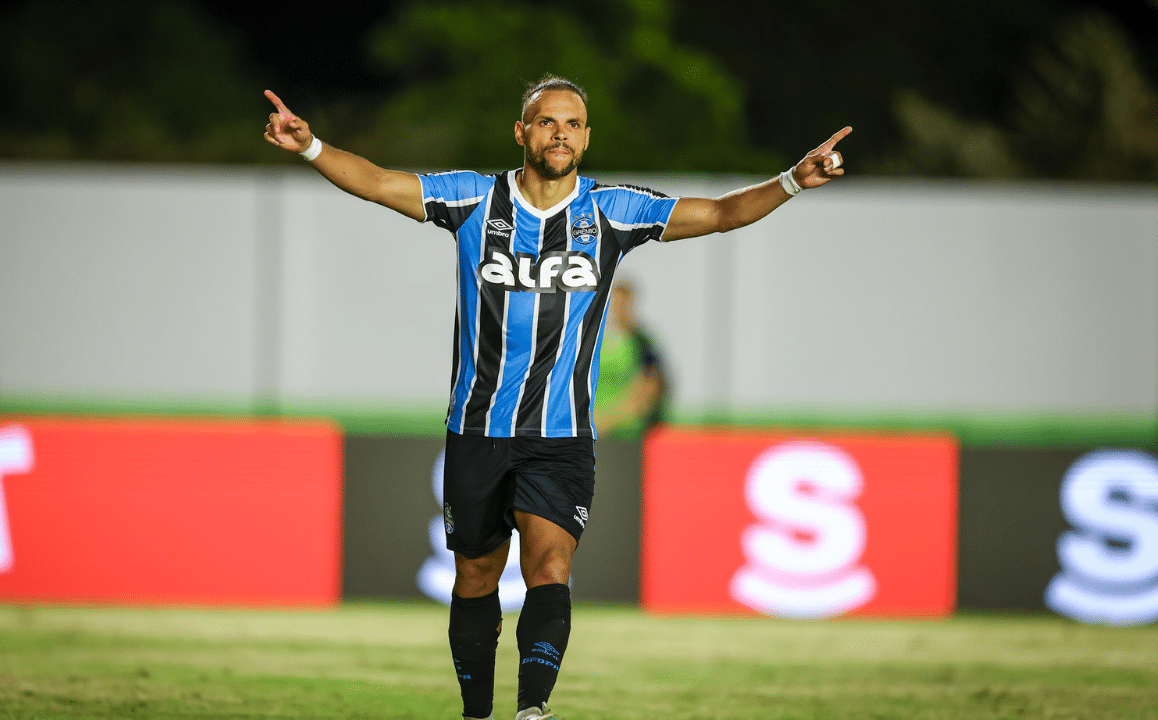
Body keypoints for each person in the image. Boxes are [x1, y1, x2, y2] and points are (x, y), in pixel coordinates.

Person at [263, 75, 849, 720]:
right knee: (476, 579)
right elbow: (378, 182)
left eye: (572, 124)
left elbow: (717, 214)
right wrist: (312, 145)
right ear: (522, 132)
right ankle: (476, 712)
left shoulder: (612, 210)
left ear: (587, 137)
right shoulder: (472, 199)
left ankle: (532, 710)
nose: (560, 133)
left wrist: (793, 180)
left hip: (561, 435)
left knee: (550, 568)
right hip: (479, 428)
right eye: (546, 122)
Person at [593, 280, 668, 439]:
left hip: (627, 432)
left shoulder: (642, 343)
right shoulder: (593, 340)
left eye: (622, 303)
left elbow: (649, 388)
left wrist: (607, 421)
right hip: (593, 428)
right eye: (613, 303)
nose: (617, 309)